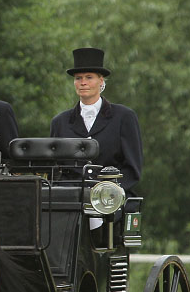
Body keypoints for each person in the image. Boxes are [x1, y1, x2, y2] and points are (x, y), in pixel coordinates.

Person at [50, 47, 143, 196]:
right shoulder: (60, 122)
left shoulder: (124, 117)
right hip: (70, 202)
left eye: (89, 77)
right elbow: (56, 169)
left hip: (110, 200)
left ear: (101, 81)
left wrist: (106, 191)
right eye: (78, 78)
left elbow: (132, 168)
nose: (83, 83)